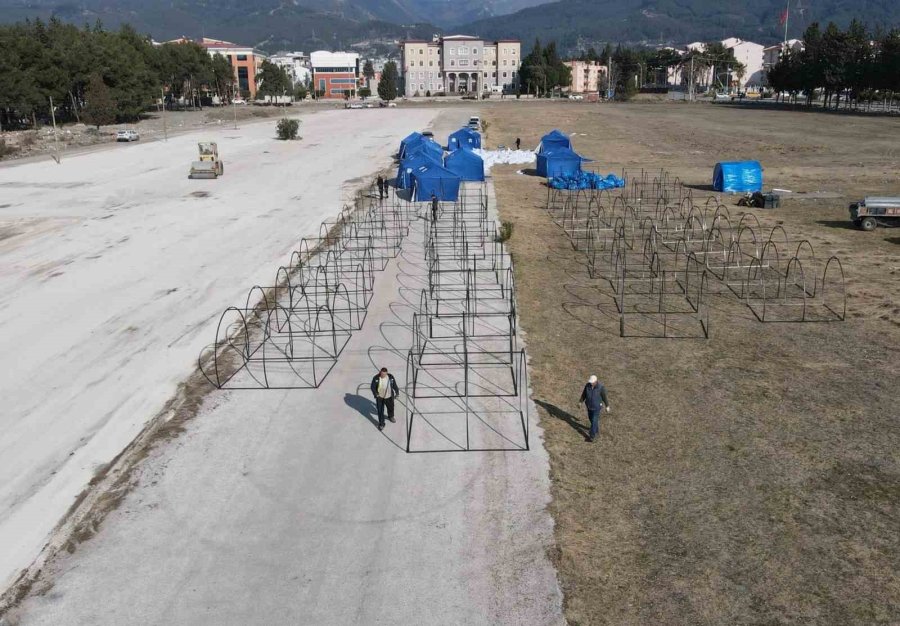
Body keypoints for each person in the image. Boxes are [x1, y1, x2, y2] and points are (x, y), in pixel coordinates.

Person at [579, 375, 611, 442]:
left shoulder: (600, 387)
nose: (591, 383)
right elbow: (584, 394)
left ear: (596, 381)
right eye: (590, 382)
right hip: (589, 406)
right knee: (591, 419)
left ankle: (592, 437)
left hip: (597, 408)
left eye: (592, 382)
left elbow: (604, 397)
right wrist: (580, 402)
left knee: (594, 420)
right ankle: (596, 431)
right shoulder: (587, 386)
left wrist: (607, 406)